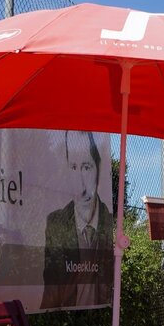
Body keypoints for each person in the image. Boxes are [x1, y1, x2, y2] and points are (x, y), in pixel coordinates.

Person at [40, 130, 114, 310]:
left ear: (98, 169)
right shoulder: (55, 224)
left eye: (87, 167)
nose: (80, 188)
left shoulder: (110, 224)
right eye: (73, 167)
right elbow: (51, 288)